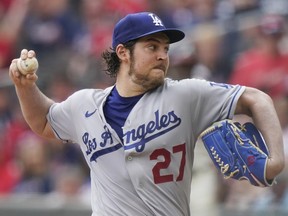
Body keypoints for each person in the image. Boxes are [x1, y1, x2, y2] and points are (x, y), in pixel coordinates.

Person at [9, 12, 284, 216]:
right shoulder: (84, 105)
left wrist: (276, 160)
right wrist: (25, 87)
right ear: (123, 52)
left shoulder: (185, 95)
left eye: (165, 48)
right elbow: (44, 120)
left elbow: (256, 98)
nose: (163, 55)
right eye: (152, 47)